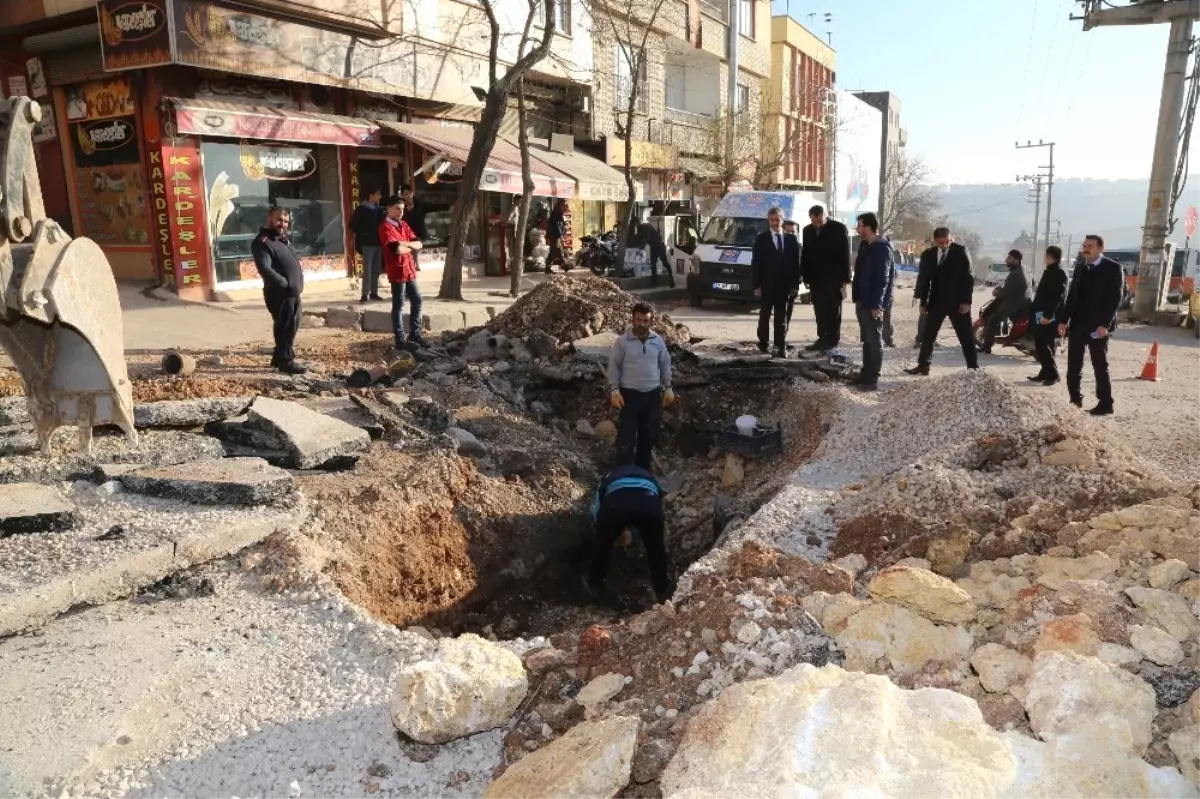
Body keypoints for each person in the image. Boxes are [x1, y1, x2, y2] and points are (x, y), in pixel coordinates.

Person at [588, 464, 675, 603]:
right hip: (648, 505)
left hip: (616, 506)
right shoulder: (651, 479)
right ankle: (662, 591)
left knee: (603, 546)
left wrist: (606, 533)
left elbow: (596, 514)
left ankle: (595, 585)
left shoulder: (606, 479)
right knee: (656, 550)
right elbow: (656, 508)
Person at [1058, 234, 1123, 415]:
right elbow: (1071, 297)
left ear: (1101, 248)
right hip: (1078, 324)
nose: (1086, 248)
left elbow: (1115, 299)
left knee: (1099, 366)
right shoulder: (1080, 268)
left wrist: (1105, 324)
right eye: (1084, 245)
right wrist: (1064, 320)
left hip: (1098, 327)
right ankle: (1075, 401)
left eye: (1090, 246)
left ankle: (1105, 403)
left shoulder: (1113, 268)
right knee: (1073, 365)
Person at [608, 303, 675, 470]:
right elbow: (614, 366)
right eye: (638, 320)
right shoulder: (622, 342)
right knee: (627, 436)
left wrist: (668, 387)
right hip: (629, 396)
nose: (641, 324)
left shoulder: (657, 341)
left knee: (648, 436)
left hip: (652, 396)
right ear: (633, 319)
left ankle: (642, 471)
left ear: (650, 322)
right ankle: (623, 472)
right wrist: (614, 390)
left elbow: (665, 364)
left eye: (645, 321)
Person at [905, 227, 978, 375]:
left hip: (958, 303)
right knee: (928, 335)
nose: (945, 245)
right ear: (936, 241)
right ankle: (923, 365)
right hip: (936, 302)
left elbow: (968, 279)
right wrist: (923, 303)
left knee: (966, 336)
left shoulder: (961, 251)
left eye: (947, 242)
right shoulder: (929, 254)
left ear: (952, 238)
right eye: (941, 243)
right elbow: (924, 280)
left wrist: (966, 302)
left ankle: (973, 368)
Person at [251, 206, 307, 375]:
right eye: (279, 220)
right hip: (279, 294)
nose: (282, 224)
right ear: (270, 219)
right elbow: (264, 268)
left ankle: (278, 357)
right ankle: (286, 361)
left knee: (293, 323)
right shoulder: (262, 242)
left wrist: (297, 283)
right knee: (285, 327)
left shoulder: (283, 240)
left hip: (292, 293)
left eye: (285, 221)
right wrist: (284, 284)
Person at [850, 212, 894, 390]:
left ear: (868, 226)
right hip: (862, 300)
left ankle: (873, 378)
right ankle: (865, 373)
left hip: (873, 303)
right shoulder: (865, 245)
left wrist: (877, 305)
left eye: (860, 225)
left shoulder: (882, 248)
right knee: (866, 340)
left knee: (875, 341)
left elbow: (883, 280)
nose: (858, 228)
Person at [751, 206, 802, 357]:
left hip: (784, 287)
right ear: (768, 221)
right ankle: (763, 344)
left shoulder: (791, 240)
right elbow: (756, 264)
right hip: (766, 286)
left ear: (782, 220)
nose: (774, 222)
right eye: (772, 220)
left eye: (777, 219)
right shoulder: (761, 239)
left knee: (781, 318)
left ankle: (780, 346)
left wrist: (794, 285)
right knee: (764, 316)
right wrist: (756, 286)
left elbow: (795, 265)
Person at [800, 205, 852, 351]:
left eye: (820, 221)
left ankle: (832, 339)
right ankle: (821, 337)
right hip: (816, 278)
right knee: (819, 309)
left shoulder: (838, 228)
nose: (817, 224)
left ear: (825, 216)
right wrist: (805, 276)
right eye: (814, 221)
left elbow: (845, 254)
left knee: (833, 310)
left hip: (834, 278)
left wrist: (846, 277)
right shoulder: (807, 231)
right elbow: (806, 254)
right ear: (810, 218)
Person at [379, 195, 427, 351]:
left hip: (409, 270)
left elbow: (419, 243)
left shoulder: (404, 225)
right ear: (389, 209)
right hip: (397, 271)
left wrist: (405, 244)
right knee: (399, 306)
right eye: (397, 209)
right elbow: (396, 249)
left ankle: (415, 334)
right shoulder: (385, 227)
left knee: (417, 300)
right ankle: (400, 340)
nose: (401, 212)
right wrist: (408, 247)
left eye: (402, 209)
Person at [1030, 245, 1069, 386]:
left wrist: (1048, 315)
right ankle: (1045, 372)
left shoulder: (1058, 273)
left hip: (1048, 315)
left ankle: (1053, 374)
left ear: (1049, 256)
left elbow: (1057, 297)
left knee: (1042, 344)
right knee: (1047, 344)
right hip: (1042, 313)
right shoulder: (1051, 271)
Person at [980, 250, 1032, 354]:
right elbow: (1031, 283)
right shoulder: (1026, 269)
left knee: (993, 320)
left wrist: (996, 292)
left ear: (1016, 260)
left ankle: (986, 347)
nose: (1006, 260)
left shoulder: (1015, 273)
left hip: (1015, 304)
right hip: (1026, 302)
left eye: (1009, 258)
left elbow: (1006, 292)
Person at [350, 188, 384, 302]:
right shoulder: (361, 209)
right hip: (367, 243)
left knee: (376, 269)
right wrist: (364, 233)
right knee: (367, 269)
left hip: (378, 242)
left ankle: (374, 292)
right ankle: (365, 294)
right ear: (371, 195)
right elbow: (352, 225)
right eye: (378, 194)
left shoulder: (379, 210)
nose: (379, 196)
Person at [635, 220, 674, 288]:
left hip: (660, 246)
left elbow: (646, 238)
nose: (635, 225)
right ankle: (654, 281)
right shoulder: (639, 229)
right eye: (635, 224)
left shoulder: (647, 226)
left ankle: (672, 279)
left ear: (639, 222)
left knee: (664, 263)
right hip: (653, 247)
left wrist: (641, 247)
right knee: (653, 264)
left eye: (636, 223)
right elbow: (639, 238)